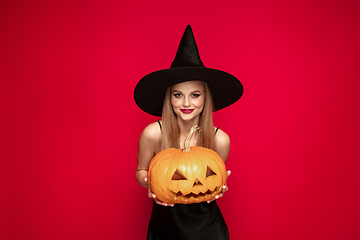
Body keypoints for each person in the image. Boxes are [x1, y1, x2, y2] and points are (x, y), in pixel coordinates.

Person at [134, 25, 243, 240]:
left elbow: (212, 181)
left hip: (209, 229)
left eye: (195, 95)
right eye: (178, 95)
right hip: (165, 226)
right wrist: (152, 183)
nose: (186, 103)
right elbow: (140, 171)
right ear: (169, 98)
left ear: (205, 98)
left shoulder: (220, 138)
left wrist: (219, 187)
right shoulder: (153, 133)